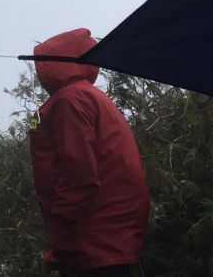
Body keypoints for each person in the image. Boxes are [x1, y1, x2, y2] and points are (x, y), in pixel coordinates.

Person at [30, 28, 150, 277]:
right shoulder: (91, 96)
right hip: (108, 233)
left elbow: (80, 173)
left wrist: (61, 219)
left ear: (54, 64)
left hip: (90, 235)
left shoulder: (70, 100)